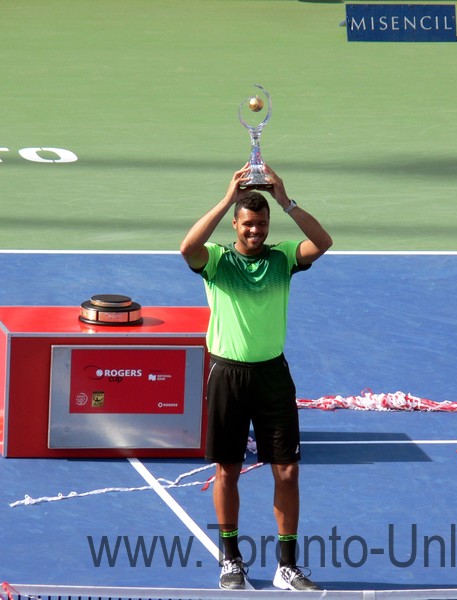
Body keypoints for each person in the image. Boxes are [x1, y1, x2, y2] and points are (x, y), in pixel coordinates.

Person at [180, 163, 332, 591]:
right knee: (227, 470)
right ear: (236, 223)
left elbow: (323, 242)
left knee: (287, 472)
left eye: (262, 224)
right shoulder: (216, 261)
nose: (255, 231)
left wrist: (286, 200)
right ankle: (231, 561)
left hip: (273, 377)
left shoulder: (283, 258)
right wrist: (227, 196)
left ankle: (287, 567)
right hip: (228, 375)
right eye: (248, 223)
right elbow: (186, 246)